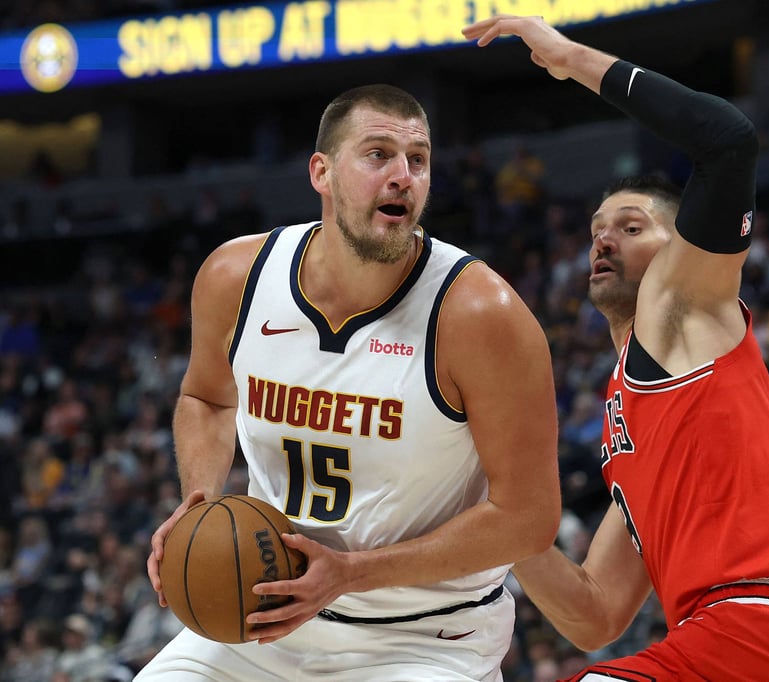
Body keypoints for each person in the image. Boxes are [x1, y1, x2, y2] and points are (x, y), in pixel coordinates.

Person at [463, 15, 769, 680]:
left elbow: (730, 140)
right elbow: (595, 614)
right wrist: (495, 507)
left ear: (681, 245)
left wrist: (569, 58)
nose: (604, 240)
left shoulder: (677, 305)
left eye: (631, 227)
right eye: (596, 231)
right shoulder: (624, 419)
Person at [136, 83, 562, 681]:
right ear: (322, 172)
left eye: (418, 160)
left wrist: (350, 573)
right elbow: (206, 398)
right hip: (264, 616)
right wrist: (198, 506)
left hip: (425, 637)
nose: (403, 176)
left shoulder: (481, 315)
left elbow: (529, 517)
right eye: (378, 154)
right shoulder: (236, 276)